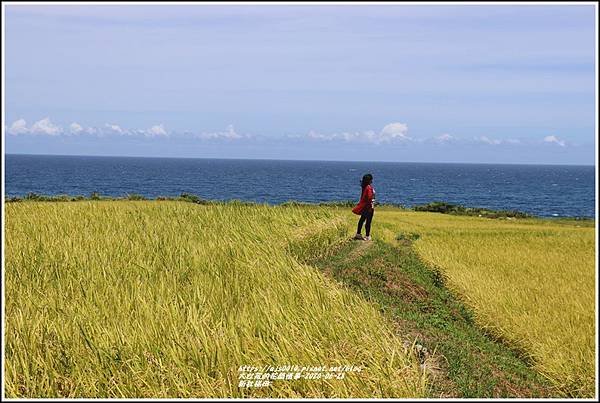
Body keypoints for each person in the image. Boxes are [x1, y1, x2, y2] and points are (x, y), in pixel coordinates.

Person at [352, 173, 375, 241]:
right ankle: (367, 236)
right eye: (371, 179)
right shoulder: (368, 187)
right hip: (369, 207)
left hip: (365, 207)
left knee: (362, 220)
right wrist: (370, 207)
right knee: (368, 222)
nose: (372, 181)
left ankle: (358, 234)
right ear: (369, 180)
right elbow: (369, 197)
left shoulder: (364, 186)